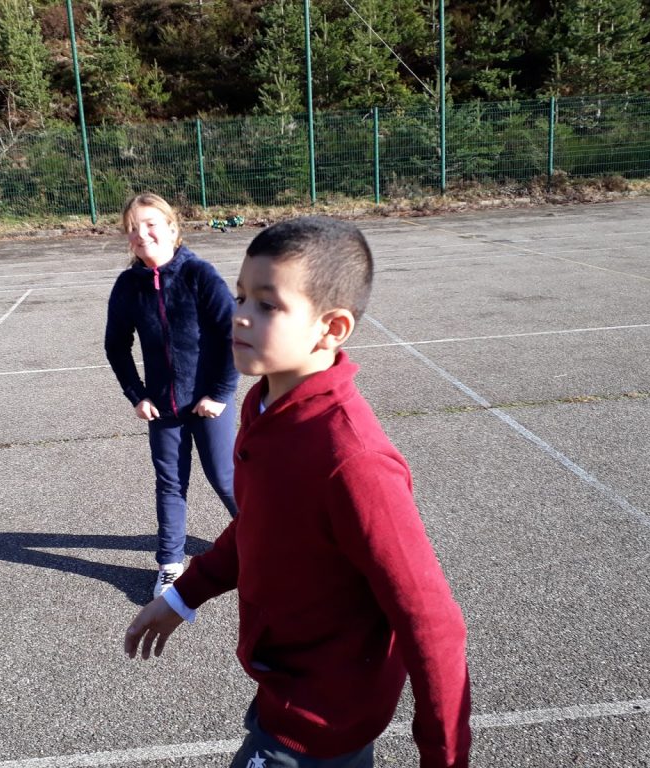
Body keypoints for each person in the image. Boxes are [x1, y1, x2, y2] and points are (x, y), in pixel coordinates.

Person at [124, 217, 472, 767]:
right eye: (241, 295)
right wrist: (181, 597)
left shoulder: (354, 462)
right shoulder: (266, 406)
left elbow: (430, 621)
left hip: (319, 720)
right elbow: (257, 525)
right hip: (283, 689)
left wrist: (444, 759)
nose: (240, 314)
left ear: (331, 328)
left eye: (268, 304)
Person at [105, 193, 239, 599]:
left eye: (150, 224)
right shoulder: (129, 285)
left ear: (171, 228)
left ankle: (267, 541)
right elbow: (116, 346)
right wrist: (137, 395)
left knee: (225, 478)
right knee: (169, 484)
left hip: (210, 403)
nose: (141, 234)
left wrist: (219, 393)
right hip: (163, 406)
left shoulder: (199, 274)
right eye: (133, 228)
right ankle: (170, 564)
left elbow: (233, 333)